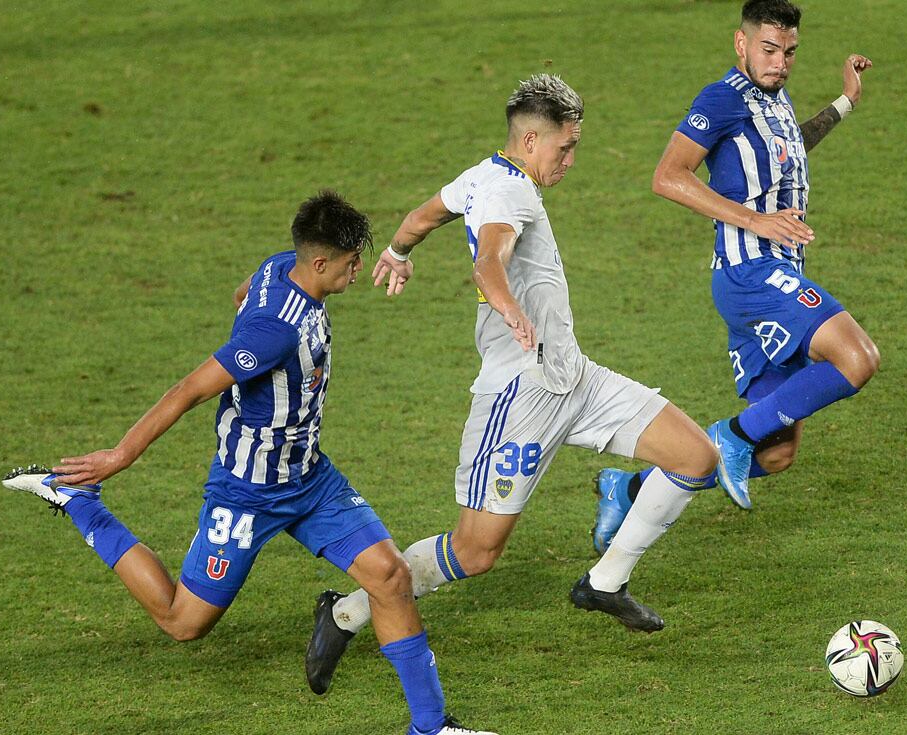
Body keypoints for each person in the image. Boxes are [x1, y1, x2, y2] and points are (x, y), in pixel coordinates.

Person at [1, 191, 495, 735]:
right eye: (352, 261)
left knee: (390, 576)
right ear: (320, 262)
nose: (359, 270)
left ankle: (430, 727)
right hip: (247, 493)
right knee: (181, 622)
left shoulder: (283, 267)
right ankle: (81, 503)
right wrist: (120, 456)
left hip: (309, 479)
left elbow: (244, 292)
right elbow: (189, 389)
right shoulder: (273, 334)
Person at [304, 73, 720, 694]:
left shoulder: (483, 176)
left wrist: (396, 251)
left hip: (574, 379)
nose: (571, 161)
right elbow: (489, 258)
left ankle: (604, 583)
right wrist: (508, 307)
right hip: (519, 398)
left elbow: (427, 213)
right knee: (476, 553)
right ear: (530, 139)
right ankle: (345, 613)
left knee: (697, 457)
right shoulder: (509, 194)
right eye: (565, 149)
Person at [591, 0, 879, 554]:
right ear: (741, 44)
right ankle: (731, 435)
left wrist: (844, 103)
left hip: (770, 276)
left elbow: (787, 147)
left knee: (777, 453)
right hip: (751, 274)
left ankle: (625, 489)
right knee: (857, 358)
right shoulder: (721, 98)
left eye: (789, 52)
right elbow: (667, 176)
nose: (780, 63)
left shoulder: (774, 100)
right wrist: (754, 219)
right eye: (769, 50)